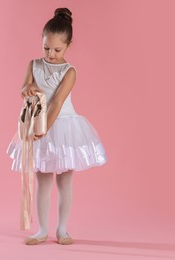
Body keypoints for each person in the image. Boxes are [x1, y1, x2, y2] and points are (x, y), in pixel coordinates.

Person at [6, 7, 107, 245]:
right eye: (46, 47)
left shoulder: (69, 71)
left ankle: (63, 229)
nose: (50, 53)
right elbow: (24, 88)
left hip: (62, 128)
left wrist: (43, 130)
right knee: (42, 181)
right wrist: (26, 90)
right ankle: (42, 230)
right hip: (39, 125)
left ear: (68, 46)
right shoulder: (33, 64)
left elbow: (58, 102)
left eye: (57, 49)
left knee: (64, 181)